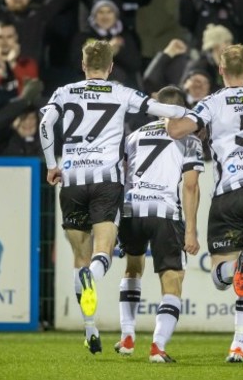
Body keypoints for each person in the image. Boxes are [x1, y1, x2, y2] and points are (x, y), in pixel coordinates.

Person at [38, 40, 189, 354]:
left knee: (80, 258)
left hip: (72, 180)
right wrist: (192, 115)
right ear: (110, 67)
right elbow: (166, 110)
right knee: (102, 253)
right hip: (107, 182)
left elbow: (44, 124)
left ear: (83, 66)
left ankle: (90, 329)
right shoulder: (122, 92)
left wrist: (52, 165)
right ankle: (95, 276)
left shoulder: (64, 92)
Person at [166, 42, 243, 363]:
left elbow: (178, 130)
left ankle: (234, 267)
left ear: (220, 71)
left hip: (230, 194)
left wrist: (172, 116)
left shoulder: (212, 102)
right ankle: (239, 345)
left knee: (220, 274)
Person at [115, 85, 203, 363]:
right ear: (181, 109)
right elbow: (190, 187)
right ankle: (157, 346)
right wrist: (191, 230)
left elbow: (123, 176)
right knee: (173, 279)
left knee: (132, 269)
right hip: (164, 213)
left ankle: (127, 335)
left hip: (131, 210)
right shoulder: (189, 139)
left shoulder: (134, 136)